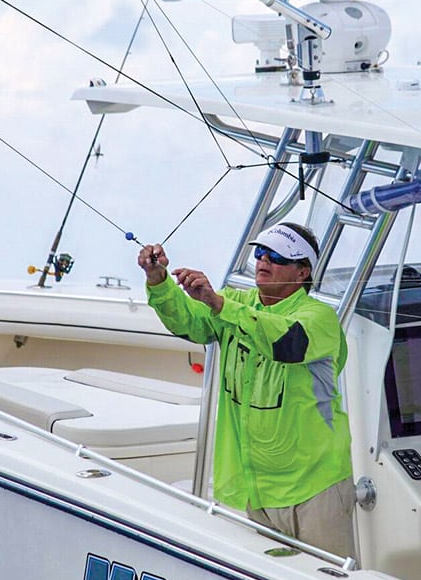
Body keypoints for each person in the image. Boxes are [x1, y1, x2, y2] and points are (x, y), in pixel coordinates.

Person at [137, 222, 356, 559]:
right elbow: (186, 322)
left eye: (277, 257)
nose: (264, 261)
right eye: (260, 253)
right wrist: (159, 281)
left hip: (316, 486)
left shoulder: (320, 318)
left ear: (302, 273)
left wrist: (217, 302)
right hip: (258, 488)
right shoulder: (234, 302)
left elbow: (287, 342)